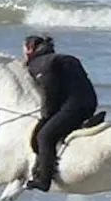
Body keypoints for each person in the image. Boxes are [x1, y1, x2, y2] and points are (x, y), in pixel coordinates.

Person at [21, 34, 99, 192]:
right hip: (89, 103)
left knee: (44, 136)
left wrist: (46, 115)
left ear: (30, 48)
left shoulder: (39, 64)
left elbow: (49, 92)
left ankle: (44, 180)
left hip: (73, 107)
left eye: (23, 48)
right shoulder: (64, 58)